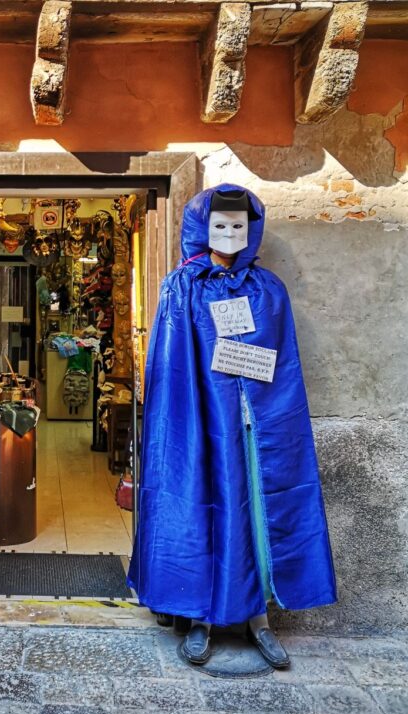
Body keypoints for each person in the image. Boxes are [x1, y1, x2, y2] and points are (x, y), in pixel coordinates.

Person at [128, 185, 337, 669]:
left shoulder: (269, 289)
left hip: (257, 429)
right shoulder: (183, 287)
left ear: (251, 231)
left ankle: (259, 620)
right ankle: (201, 618)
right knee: (206, 511)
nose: (228, 234)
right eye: (219, 225)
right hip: (202, 422)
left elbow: (281, 362)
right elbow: (173, 363)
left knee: (261, 519)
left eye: (237, 226)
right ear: (202, 228)